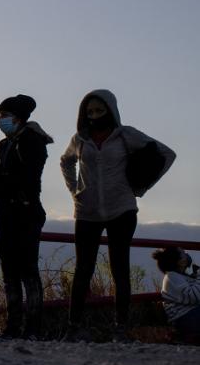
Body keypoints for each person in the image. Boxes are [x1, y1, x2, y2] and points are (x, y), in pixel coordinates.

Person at [60, 89, 175, 341]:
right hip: (87, 212)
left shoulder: (126, 136)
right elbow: (65, 161)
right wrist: (74, 190)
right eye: (89, 112)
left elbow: (167, 154)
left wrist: (142, 186)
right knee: (83, 269)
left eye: (99, 110)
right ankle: (73, 328)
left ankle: (120, 329)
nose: (94, 115)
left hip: (121, 210)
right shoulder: (79, 139)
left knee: (119, 269)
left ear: (110, 110)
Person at [0, 95, 52, 339]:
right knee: (9, 273)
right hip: (5, 214)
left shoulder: (33, 142)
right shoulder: (2, 146)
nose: (1, 121)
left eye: (4, 116)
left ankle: (33, 327)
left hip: (26, 212)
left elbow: (26, 178)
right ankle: (13, 324)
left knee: (28, 270)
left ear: (19, 118)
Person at [153, 247, 200, 344]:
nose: (187, 255)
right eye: (184, 253)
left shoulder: (180, 276)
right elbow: (194, 296)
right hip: (185, 318)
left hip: (191, 314)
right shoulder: (171, 278)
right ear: (180, 262)